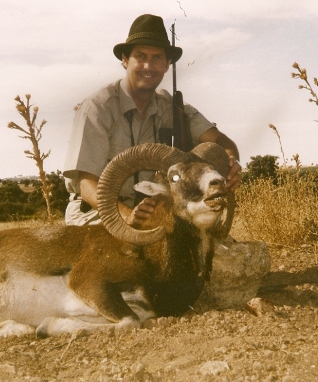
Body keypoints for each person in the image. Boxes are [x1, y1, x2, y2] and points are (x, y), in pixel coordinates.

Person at [63, 14, 241, 227]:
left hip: (152, 212)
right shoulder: (98, 107)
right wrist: (127, 215)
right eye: (140, 56)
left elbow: (221, 142)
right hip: (98, 213)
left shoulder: (171, 107)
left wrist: (232, 163)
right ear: (125, 60)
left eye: (157, 58)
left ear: (167, 64)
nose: (148, 66)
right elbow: (87, 185)